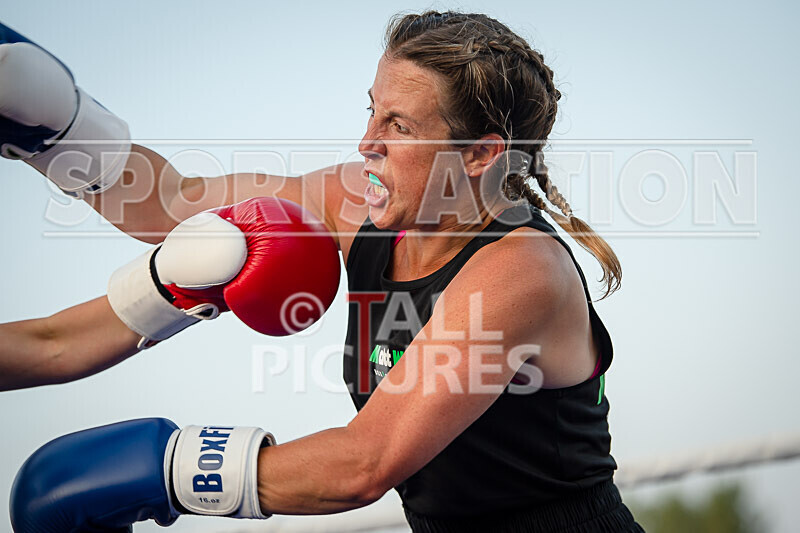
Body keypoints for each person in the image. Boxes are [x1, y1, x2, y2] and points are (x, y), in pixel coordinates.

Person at [1, 10, 641, 533]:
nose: (367, 141)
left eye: (399, 125)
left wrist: (166, 470)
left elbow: (362, 465)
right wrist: (62, 132)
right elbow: (170, 205)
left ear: (479, 154)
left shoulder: (522, 270)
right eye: (371, 110)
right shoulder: (354, 201)